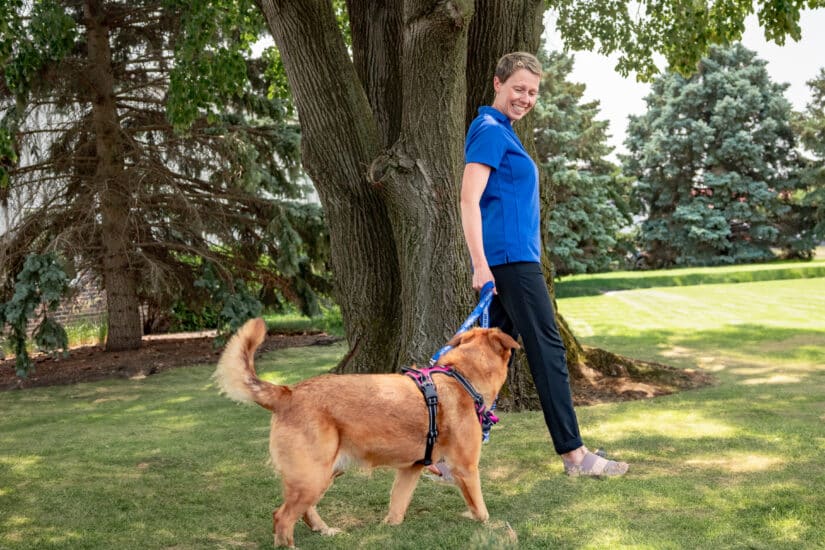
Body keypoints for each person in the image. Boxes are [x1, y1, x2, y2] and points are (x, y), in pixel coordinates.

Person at [459, 51, 628, 477]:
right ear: (497, 84)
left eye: (533, 92)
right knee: (548, 349)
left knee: (487, 360)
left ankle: (448, 457)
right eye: (518, 88)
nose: (526, 97)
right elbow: (468, 199)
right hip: (510, 263)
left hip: (513, 261)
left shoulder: (505, 132)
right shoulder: (489, 129)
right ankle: (575, 456)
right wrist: (480, 264)